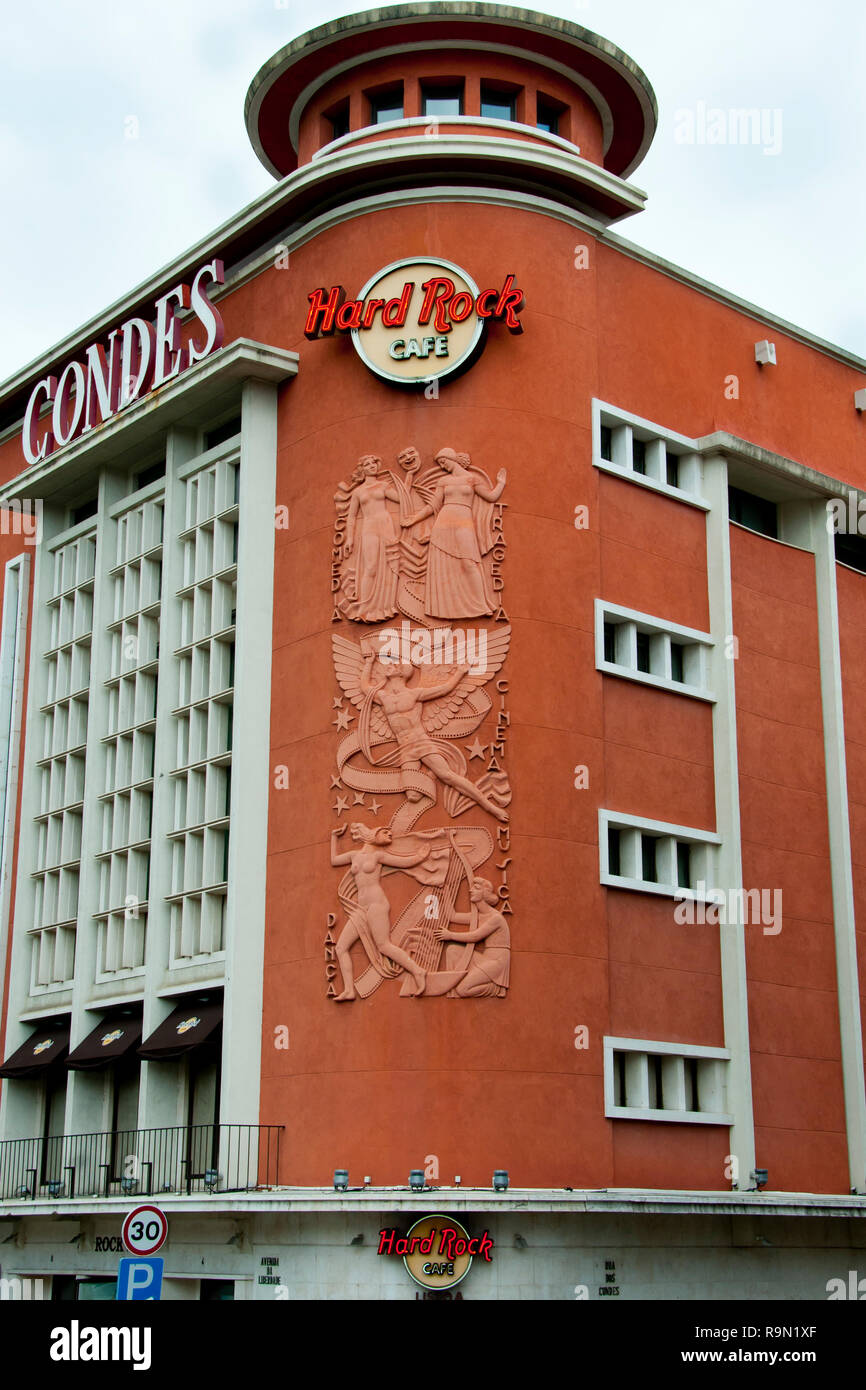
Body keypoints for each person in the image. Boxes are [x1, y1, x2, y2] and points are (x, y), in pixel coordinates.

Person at [330, 822, 431, 999]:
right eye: (385, 832)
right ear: (373, 834)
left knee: (383, 945)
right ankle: (349, 991)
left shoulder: (378, 856)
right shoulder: (354, 856)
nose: (389, 835)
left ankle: (418, 972)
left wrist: (420, 857)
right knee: (340, 947)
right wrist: (333, 837)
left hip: (377, 903)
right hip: (360, 908)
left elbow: (405, 862)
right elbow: (334, 860)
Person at [412, 448, 506, 618]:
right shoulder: (444, 480)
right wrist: (413, 519)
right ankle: (446, 608)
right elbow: (433, 505)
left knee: (468, 562)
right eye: (440, 463)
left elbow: (491, 497)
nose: (442, 466)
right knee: (444, 566)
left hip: (464, 521)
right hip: (444, 522)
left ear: (452, 458)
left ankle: (481, 604)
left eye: (443, 461)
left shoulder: (472, 479)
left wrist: (501, 483)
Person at [342, 456, 401, 620]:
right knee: (371, 567)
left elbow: (401, 498)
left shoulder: (383, 485)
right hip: (369, 527)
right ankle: (364, 607)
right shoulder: (358, 492)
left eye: (373, 463)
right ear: (362, 469)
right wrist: (349, 539)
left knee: (392, 563)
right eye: (367, 464)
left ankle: (387, 606)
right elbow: (352, 516)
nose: (371, 466)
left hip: (385, 524)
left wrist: (408, 476)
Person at [434, 877, 510, 997]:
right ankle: (451, 987)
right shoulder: (479, 916)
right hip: (485, 958)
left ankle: (494, 988)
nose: (471, 890)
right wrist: (445, 891)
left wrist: (450, 935)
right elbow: (452, 916)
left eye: (476, 888)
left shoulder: (495, 918)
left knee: (463, 990)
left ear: (484, 893)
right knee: (452, 950)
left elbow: (475, 936)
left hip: (497, 961)